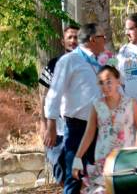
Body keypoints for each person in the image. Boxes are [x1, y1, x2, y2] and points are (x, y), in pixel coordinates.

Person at [44, 23, 107, 194]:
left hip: (101, 127)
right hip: (77, 127)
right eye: (103, 37)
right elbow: (54, 94)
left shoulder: (102, 61)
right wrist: (50, 126)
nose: (105, 41)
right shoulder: (69, 60)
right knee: (74, 174)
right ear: (93, 39)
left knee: (98, 175)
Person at [72, 65, 137, 193]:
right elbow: (89, 133)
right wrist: (77, 158)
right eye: (101, 83)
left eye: (109, 81)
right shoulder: (97, 105)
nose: (105, 86)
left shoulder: (131, 103)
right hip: (103, 162)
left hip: (127, 160)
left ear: (118, 81)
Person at [38, 24, 79, 186]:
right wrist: (43, 123)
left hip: (77, 127)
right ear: (63, 42)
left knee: (77, 171)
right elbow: (44, 95)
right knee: (59, 170)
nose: (73, 41)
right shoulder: (54, 64)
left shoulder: (86, 63)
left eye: (76, 37)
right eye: (70, 37)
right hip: (56, 127)